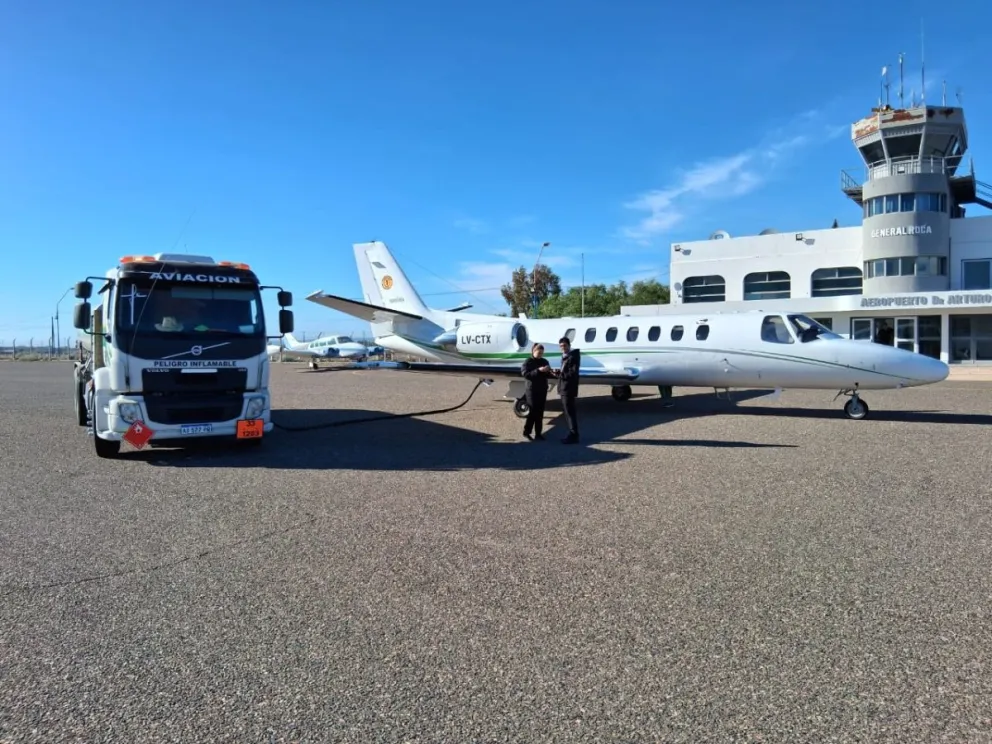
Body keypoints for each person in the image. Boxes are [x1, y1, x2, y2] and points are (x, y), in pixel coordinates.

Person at [519, 343, 552, 440]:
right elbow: (525, 374)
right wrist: (538, 370)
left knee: (540, 412)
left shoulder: (544, 361)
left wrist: (549, 371)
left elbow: (548, 375)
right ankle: (527, 432)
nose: (540, 354)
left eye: (542, 353)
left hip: (542, 389)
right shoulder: (528, 362)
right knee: (532, 411)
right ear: (533, 351)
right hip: (532, 390)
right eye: (539, 352)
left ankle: (538, 433)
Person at [555, 336, 581, 444]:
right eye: (561, 346)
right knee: (568, 412)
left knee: (569, 412)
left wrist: (561, 374)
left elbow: (572, 373)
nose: (563, 347)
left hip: (568, 389)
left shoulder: (572, 357)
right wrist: (558, 373)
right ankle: (573, 434)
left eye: (565, 345)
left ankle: (573, 435)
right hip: (564, 387)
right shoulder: (565, 356)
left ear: (569, 345)